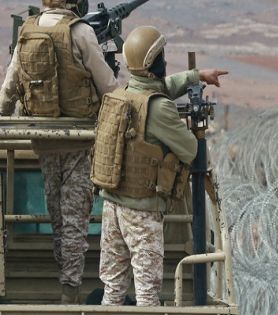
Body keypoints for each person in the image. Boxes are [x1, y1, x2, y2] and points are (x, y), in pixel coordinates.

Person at [93, 25, 228, 306]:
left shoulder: (123, 95)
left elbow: (158, 89)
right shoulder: (159, 109)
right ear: (153, 64)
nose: (165, 63)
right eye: (161, 59)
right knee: (147, 293)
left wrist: (196, 75)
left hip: (112, 206)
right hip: (141, 211)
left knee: (113, 289)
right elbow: (191, 150)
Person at [0, 0, 119, 304]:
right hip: (79, 141)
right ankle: (69, 293)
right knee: (75, 223)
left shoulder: (28, 31)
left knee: (57, 219)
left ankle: (66, 284)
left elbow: (9, 86)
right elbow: (108, 86)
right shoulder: (80, 32)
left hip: (44, 141)